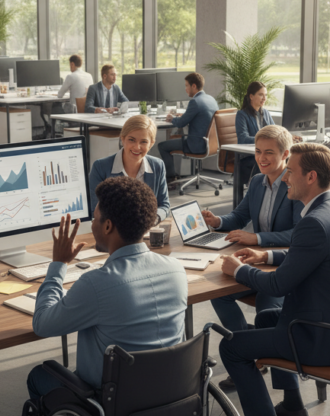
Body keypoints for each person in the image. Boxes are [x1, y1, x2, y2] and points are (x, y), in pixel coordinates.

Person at [218, 143, 330, 416]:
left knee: (231, 346)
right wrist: (267, 254)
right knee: (266, 318)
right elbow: (308, 258)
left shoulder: (313, 222)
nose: (285, 177)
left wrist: (238, 270)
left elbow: (277, 286)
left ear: (310, 177)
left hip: (321, 338)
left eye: (291, 171)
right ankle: (292, 404)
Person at [27, 175, 187, 397]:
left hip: (113, 404)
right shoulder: (176, 270)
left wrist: (58, 264)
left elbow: (42, 325)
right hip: (170, 394)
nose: (92, 225)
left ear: (108, 226)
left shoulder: (96, 284)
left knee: (39, 375)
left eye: (95, 219)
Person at [201, 125, 302, 344]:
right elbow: (239, 216)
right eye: (258, 151)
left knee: (267, 310)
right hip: (257, 261)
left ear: (285, 154)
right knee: (218, 293)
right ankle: (246, 345)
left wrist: (257, 239)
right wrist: (216, 221)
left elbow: (298, 234)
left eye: (269, 152)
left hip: (283, 266)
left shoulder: (295, 185)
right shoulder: (257, 181)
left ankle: (257, 350)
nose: (261, 158)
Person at [89, 115, 170, 223]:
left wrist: (153, 220)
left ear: (151, 144)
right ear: (122, 138)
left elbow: (164, 205)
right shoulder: (100, 167)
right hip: (113, 232)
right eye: (131, 140)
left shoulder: (157, 166)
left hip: (147, 230)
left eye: (143, 142)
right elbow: (95, 209)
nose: (137, 147)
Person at [157, 72, 219, 180]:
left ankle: (170, 177)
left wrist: (172, 118)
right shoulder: (211, 99)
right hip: (212, 143)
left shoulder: (195, 102)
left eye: (186, 86)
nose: (185, 89)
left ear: (193, 86)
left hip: (197, 144)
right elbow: (200, 117)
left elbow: (181, 123)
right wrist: (184, 115)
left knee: (162, 146)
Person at [234, 81, 275, 181]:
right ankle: (259, 190)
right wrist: (265, 140)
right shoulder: (242, 115)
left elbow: (275, 132)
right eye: (261, 95)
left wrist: (287, 136)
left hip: (264, 154)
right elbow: (243, 138)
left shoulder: (265, 113)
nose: (264, 98)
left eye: (265, 95)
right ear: (251, 96)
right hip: (249, 157)